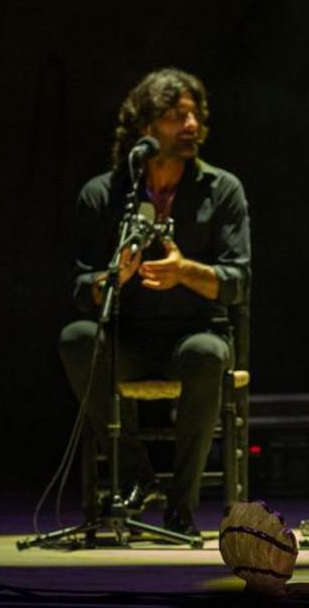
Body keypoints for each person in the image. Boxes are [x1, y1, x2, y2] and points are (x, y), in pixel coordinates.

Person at [59, 68, 251, 537]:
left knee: (207, 354)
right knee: (77, 339)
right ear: (145, 129)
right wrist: (115, 277)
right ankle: (138, 474)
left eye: (193, 115)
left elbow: (237, 281)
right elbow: (82, 291)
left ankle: (181, 508)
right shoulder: (103, 195)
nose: (190, 125)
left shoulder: (222, 189)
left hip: (193, 331)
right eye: (173, 116)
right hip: (128, 335)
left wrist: (185, 271)